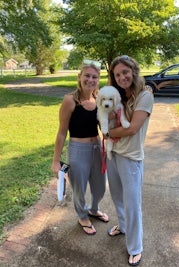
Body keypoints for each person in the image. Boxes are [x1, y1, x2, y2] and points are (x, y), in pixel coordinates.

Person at [51, 59, 109, 235]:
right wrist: (55, 161)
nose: (90, 80)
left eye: (95, 77)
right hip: (78, 150)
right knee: (79, 188)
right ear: (79, 77)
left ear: (99, 79)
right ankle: (82, 216)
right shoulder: (70, 100)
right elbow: (62, 133)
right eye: (87, 76)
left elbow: (104, 127)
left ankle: (93, 209)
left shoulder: (99, 99)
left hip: (97, 148)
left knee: (100, 187)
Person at [105, 55, 154, 266]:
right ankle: (123, 227)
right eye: (117, 74)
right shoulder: (116, 96)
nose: (122, 77)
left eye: (125, 72)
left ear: (133, 71)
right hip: (112, 154)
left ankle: (135, 247)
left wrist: (109, 133)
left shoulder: (145, 95)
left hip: (131, 158)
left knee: (132, 203)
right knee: (117, 196)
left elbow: (133, 128)